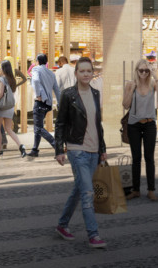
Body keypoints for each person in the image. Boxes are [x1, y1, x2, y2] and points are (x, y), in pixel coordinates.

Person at [53, 58, 108, 249]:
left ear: (93, 73)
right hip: (77, 150)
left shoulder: (95, 93)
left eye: (89, 71)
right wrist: (59, 149)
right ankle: (94, 235)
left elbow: (97, 124)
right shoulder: (68, 95)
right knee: (87, 193)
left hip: (93, 151)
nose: (86, 74)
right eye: (82, 71)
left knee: (79, 189)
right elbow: (60, 123)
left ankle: (62, 225)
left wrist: (102, 149)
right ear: (76, 73)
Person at [124, 59, 158, 202]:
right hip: (134, 125)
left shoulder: (153, 83)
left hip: (149, 124)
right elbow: (125, 104)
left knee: (149, 158)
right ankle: (135, 190)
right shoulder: (130, 84)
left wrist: (156, 76)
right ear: (136, 71)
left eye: (146, 70)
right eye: (141, 70)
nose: (143, 73)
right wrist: (131, 90)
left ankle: (151, 190)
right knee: (136, 158)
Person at [0, 60, 26, 160]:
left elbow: (0, 94)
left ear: (3, 68)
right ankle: (21, 146)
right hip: (10, 107)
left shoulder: (2, 79)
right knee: (9, 129)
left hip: (2, 107)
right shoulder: (12, 79)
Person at [28, 53, 58, 159]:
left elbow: (35, 80)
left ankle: (56, 145)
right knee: (37, 126)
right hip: (48, 103)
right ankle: (35, 150)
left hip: (40, 102)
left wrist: (38, 95)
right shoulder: (51, 73)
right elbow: (57, 89)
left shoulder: (36, 69)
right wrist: (59, 103)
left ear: (38, 61)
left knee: (39, 128)